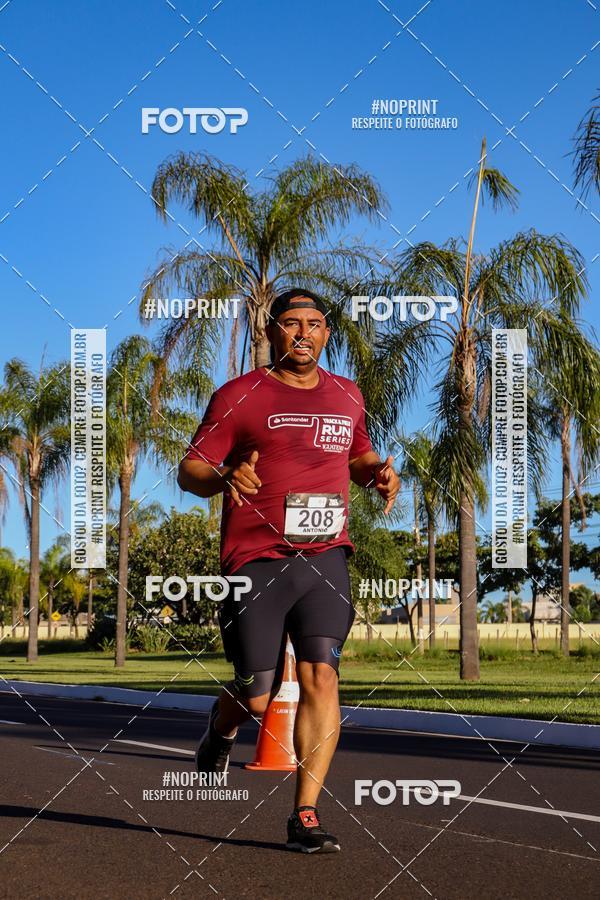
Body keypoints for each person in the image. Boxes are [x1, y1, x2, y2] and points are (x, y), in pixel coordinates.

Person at [177, 288, 400, 853]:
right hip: (256, 559)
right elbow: (190, 470)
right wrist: (225, 476)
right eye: (292, 323)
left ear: (327, 333)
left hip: (326, 556)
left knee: (322, 676)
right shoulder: (240, 395)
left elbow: (356, 456)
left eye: (315, 323)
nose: (304, 333)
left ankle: (305, 814)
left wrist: (377, 473)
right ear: (272, 330)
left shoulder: (347, 394)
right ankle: (222, 724)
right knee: (259, 696)